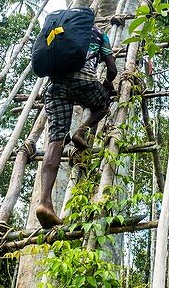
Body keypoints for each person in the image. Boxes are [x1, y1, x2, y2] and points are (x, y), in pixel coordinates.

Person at [37, 23, 118, 229]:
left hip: (55, 87)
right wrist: (108, 83)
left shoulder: (62, 31)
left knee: (55, 142)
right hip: (84, 83)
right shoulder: (101, 35)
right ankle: (81, 130)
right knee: (103, 104)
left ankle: (44, 202)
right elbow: (112, 68)